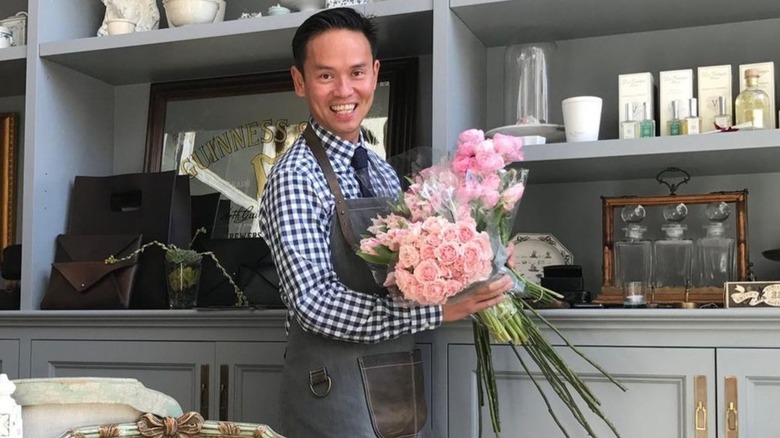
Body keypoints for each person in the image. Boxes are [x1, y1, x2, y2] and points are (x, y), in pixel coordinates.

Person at [257, 7, 512, 438]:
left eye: (357, 72)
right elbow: (314, 303)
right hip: (331, 390)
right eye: (325, 76)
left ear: (375, 73)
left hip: (393, 381)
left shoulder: (379, 169)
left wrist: (477, 262)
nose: (345, 90)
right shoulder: (295, 177)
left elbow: (404, 273)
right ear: (299, 81)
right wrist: (435, 312)